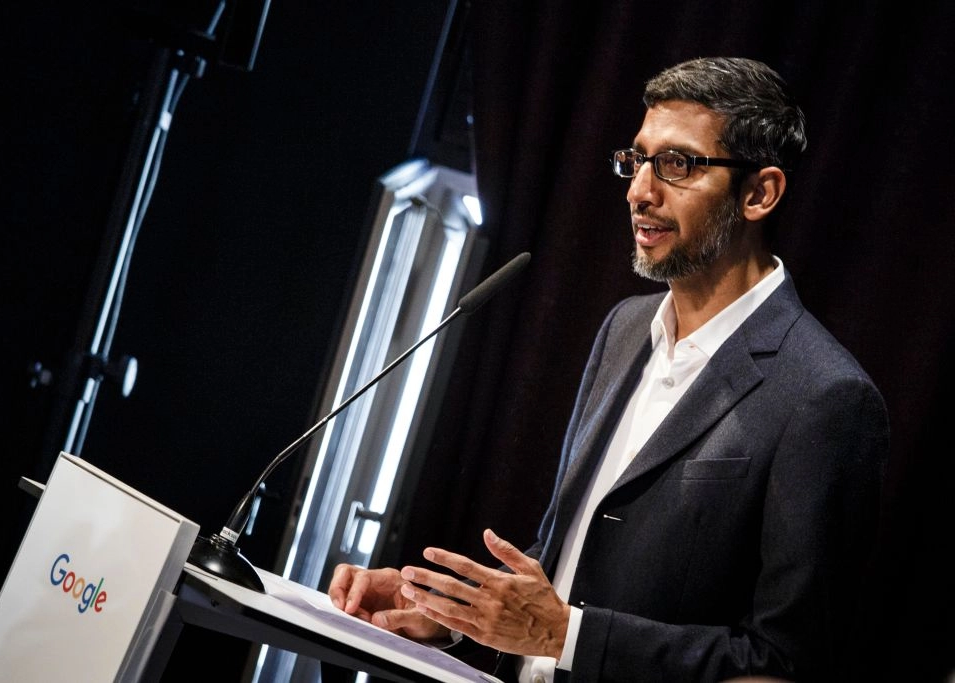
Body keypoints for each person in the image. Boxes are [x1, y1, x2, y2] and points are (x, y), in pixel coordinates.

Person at [328, 56, 889, 682]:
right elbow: (574, 556)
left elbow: (782, 666)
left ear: (759, 194)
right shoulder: (624, 328)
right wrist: (445, 607)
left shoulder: (824, 397)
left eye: (677, 165)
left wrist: (567, 635)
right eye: (638, 160)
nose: (639, 191)